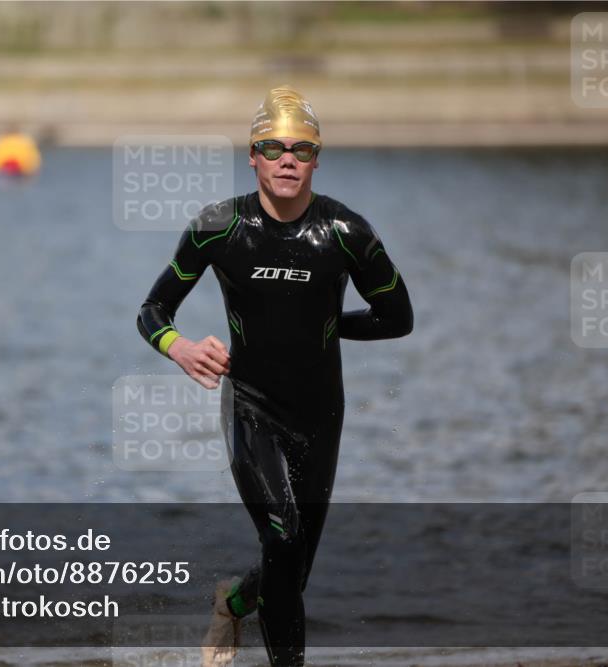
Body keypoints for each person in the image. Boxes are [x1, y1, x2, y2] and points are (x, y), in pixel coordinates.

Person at [136, 85, 414, 667]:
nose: (287, 159)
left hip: (320, 413)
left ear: (317, 158)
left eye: (302, 149)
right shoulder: (218, 226)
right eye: (272, 146)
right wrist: (179, 347)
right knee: (283, 538)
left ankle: (233, 602)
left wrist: (326, 324)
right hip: (250, 405)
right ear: (253, 156)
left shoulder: (347, 234)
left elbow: (398, 319)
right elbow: (151, 311)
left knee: (292, 566)